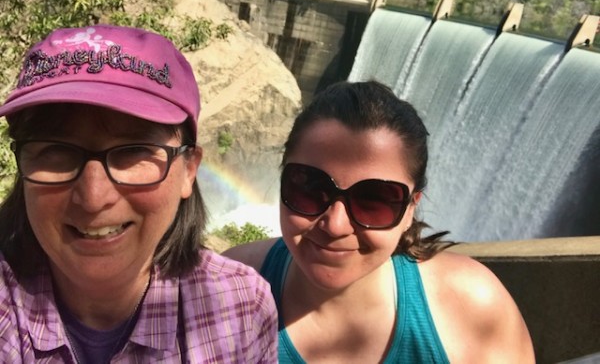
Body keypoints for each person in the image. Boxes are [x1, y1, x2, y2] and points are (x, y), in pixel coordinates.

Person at [0, 25, 278, 362]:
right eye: (55, 150)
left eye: (133, 151)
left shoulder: (240, 309)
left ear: (189, 169)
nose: (93, 197)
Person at [224, 80, 535, 363]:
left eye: (373, 200)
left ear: (411, 209)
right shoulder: (225, 289)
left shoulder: (475, 312)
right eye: (309, 187)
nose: (335, 225)